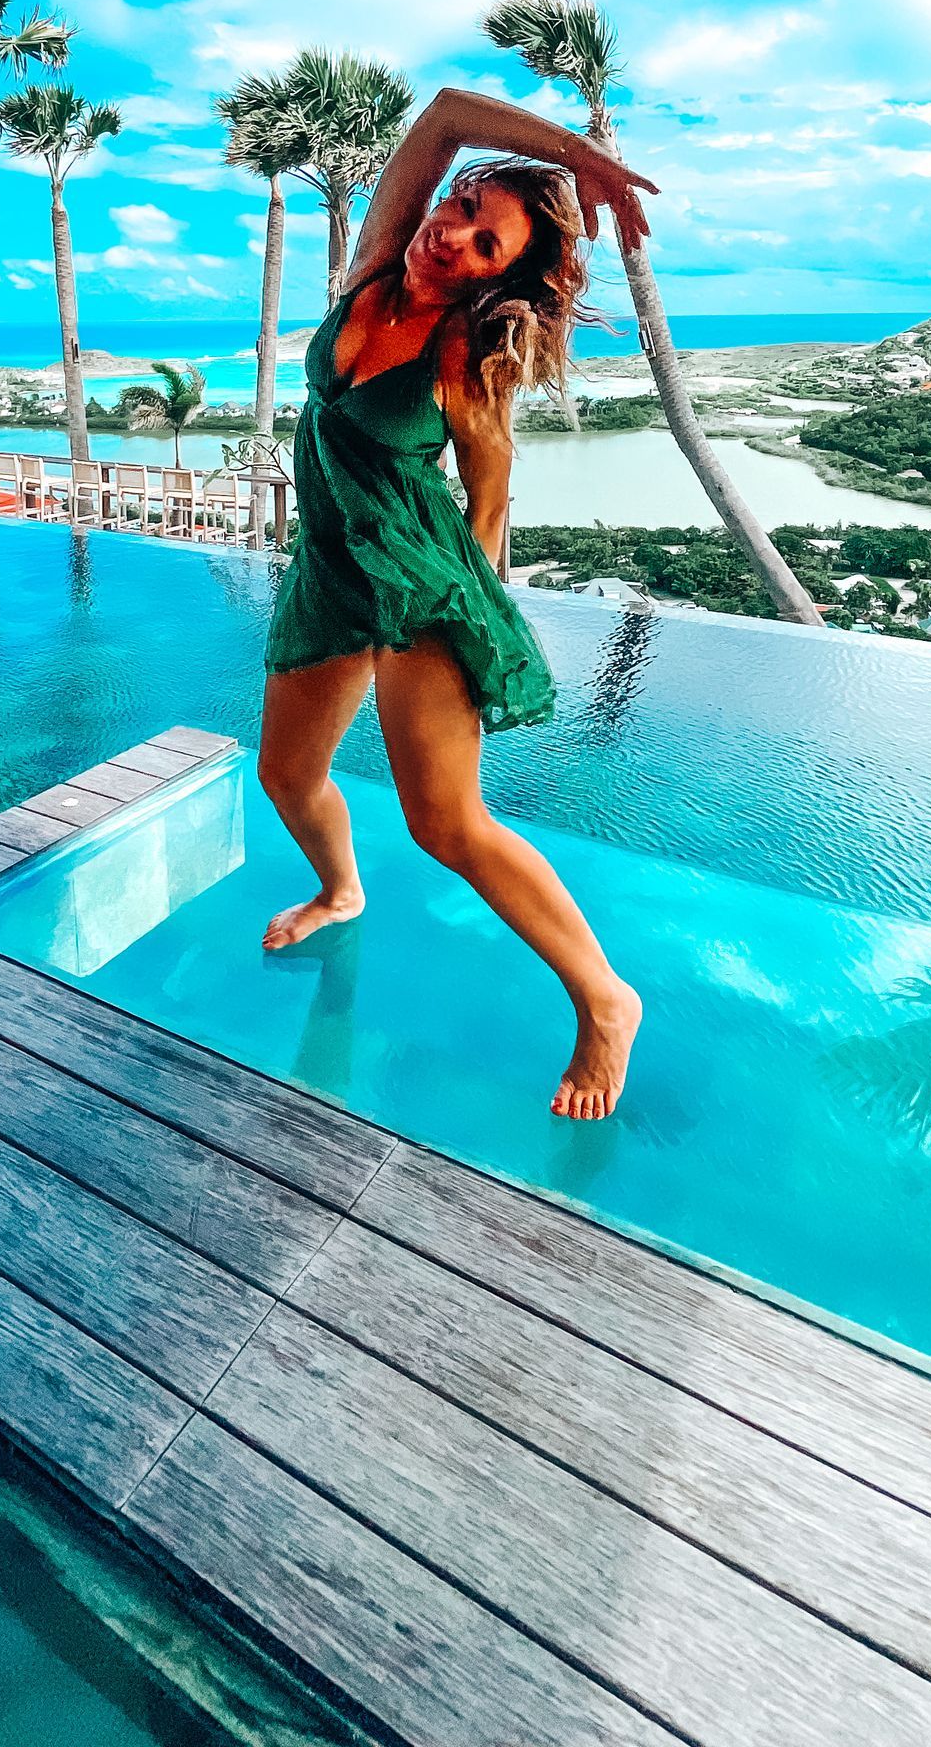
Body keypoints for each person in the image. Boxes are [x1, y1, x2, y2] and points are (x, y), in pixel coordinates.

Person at [256, 85, 654, 1119]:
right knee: (287, 774)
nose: (455, 239)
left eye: (486, 248)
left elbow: (488, 495)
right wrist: (578, 158)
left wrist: (471, 617)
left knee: (446, 823)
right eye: (465, 210)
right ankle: (342, 890)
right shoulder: (375, 265)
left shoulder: (464, 362)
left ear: (498, 278)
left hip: (422, 584)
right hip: (331, 569)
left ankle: (605, 1000)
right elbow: (438, 119)